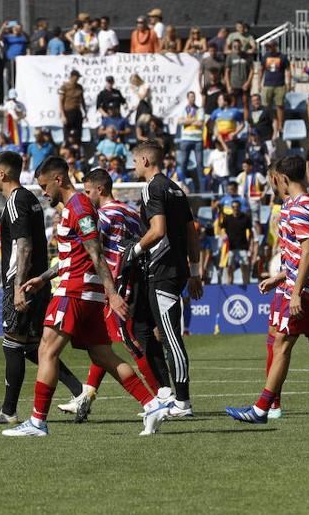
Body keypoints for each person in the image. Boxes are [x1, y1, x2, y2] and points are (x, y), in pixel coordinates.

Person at [1, 157, 170, 437]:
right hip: (83, 291)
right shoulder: (75, 207)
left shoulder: (78, 206)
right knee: (103, 355)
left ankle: (37, 422)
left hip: (75, 291)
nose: (42, 192)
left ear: (59, 180)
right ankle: (152, 404)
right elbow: (75, 255)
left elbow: (95, 252)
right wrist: (43, 278)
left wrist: (112, 294)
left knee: (46, 350)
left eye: (44, 186)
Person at [226, 155, 309, 426]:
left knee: (281, 346)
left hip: (304, 291)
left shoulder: (297, 208)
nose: (273, 184)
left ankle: (262, 408)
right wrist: (279, 277)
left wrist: (296, 291)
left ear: (283, 178)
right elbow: (306, 252)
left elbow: (308, 252)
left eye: (274, 179)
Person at [0, 151, 83, 425]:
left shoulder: (16, 202)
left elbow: (23, 246)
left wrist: (18, 288)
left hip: (24, 283)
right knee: (34, 347)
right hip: (38, 283)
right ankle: (80, 392)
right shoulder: (31, 200)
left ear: (2, 173)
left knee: (13, 344)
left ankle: (9, 411)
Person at [60, 170, 159, 417]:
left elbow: (90, 248)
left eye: (87, 191)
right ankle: (86, 396)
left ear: (100, 189)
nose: (85, 197)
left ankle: (159, 398)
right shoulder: (131, 212)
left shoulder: (104, 215)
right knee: (101, 346)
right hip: (133, 280)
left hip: (114, 284)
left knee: (129, 342)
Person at [129, 140, 200, 418]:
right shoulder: (176, 190)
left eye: (135, 161)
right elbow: (192, 233)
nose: (133, 167)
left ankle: (182, 402)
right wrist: (194, 272)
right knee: (151, 332)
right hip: (175, 270)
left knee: (171, 337)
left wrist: (134, 251)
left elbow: (157, 230)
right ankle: (166, 394)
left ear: (145, 161)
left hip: (162, 271)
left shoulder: (152, 187)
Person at [176, 92, 205, 193]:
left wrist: (187, 120)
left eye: (194, 97)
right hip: (186, 139)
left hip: (198, 140)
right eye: (191, 97)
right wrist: (194, 120)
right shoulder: (183, 109)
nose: (192, 98)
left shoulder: (200, 109)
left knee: (200, 165)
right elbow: (180, 121)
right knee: (183, 164)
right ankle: (182, 188)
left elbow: (201, 123)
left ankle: (202, 190)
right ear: (187, 98)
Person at [260, 41, 290, 137]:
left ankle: (280, 126)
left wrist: (288, 82)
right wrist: (259, 83)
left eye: (271, 46)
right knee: (266, 106)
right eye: (268, 47)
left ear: (276, 46)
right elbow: (261, 69)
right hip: (267, 84)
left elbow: (288, 70)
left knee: (280, 106)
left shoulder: (282, 56)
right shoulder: (265, 56)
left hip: (279, 84)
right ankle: (269, 124)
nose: (269, 48)